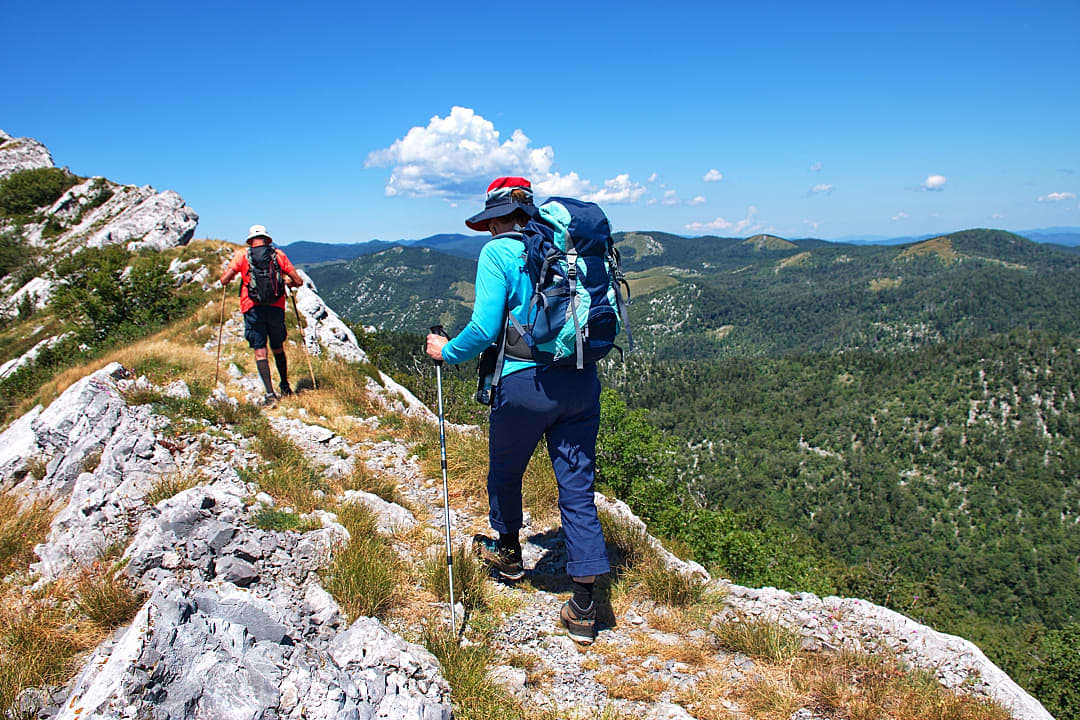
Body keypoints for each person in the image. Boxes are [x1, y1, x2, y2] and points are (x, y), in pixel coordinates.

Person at [425, 177, 610, 645]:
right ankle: (584, 606)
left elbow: (484, 328)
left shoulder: (499, 252)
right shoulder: (566, 249)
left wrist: (446, 352)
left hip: (525, 385)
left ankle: (508, 553)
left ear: (494, 220)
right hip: (581, 379)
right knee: (577, 487)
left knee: (506, 471)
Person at [220, 224, 304, 406]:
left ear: (250, 241)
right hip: (276, 307)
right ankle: (285, 386)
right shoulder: (278, 255)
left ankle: (270, 394)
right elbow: (298, 281)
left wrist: (233, 278)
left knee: (260, 351)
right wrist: (287, 283)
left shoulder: (242, 256)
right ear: (267, 239)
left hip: (252, 308)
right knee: (278, 347)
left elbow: (224, 280)